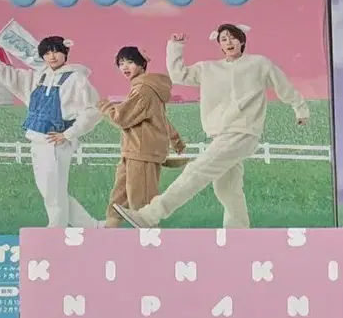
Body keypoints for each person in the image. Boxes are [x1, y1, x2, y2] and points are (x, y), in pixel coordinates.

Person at [112, 24, 309, 229]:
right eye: (223, 39)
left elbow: (283, 85)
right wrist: (176, 46)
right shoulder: (208, 69)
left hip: (242, 132)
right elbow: (179, 74)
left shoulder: (259, 64)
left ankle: (149, 216)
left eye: (232, 37)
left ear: (241, 40)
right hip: (221, 135)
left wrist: (300, 109)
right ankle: (238, 233)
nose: (229, 42)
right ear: (219, 45)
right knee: (227, 189)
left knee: (196, 171)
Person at [0, 35, 102, 227]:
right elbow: (13, 76)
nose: (52, 56)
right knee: (50, 190)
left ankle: (56, 230)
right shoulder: (40, 76)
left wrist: (68, 134)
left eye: (56, 51)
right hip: (37, 139)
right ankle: (91, 226)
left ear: (65, 52)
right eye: (47, 53)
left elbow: (93, 110)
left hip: (56, 141)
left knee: (53, 190)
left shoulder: (76, 79)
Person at [97, 46, 187, 228]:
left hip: (142, 151)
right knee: (119, 197)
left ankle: (151, 238)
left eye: (130, 62)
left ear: (142, 64)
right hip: (133, 150)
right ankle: (109, 231)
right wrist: (175, 139)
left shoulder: (144, 90)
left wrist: (104, 106)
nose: (125, 67)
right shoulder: (144, 88)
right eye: (121, 63)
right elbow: (161, 119)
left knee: (143, 201)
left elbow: (122, 118)